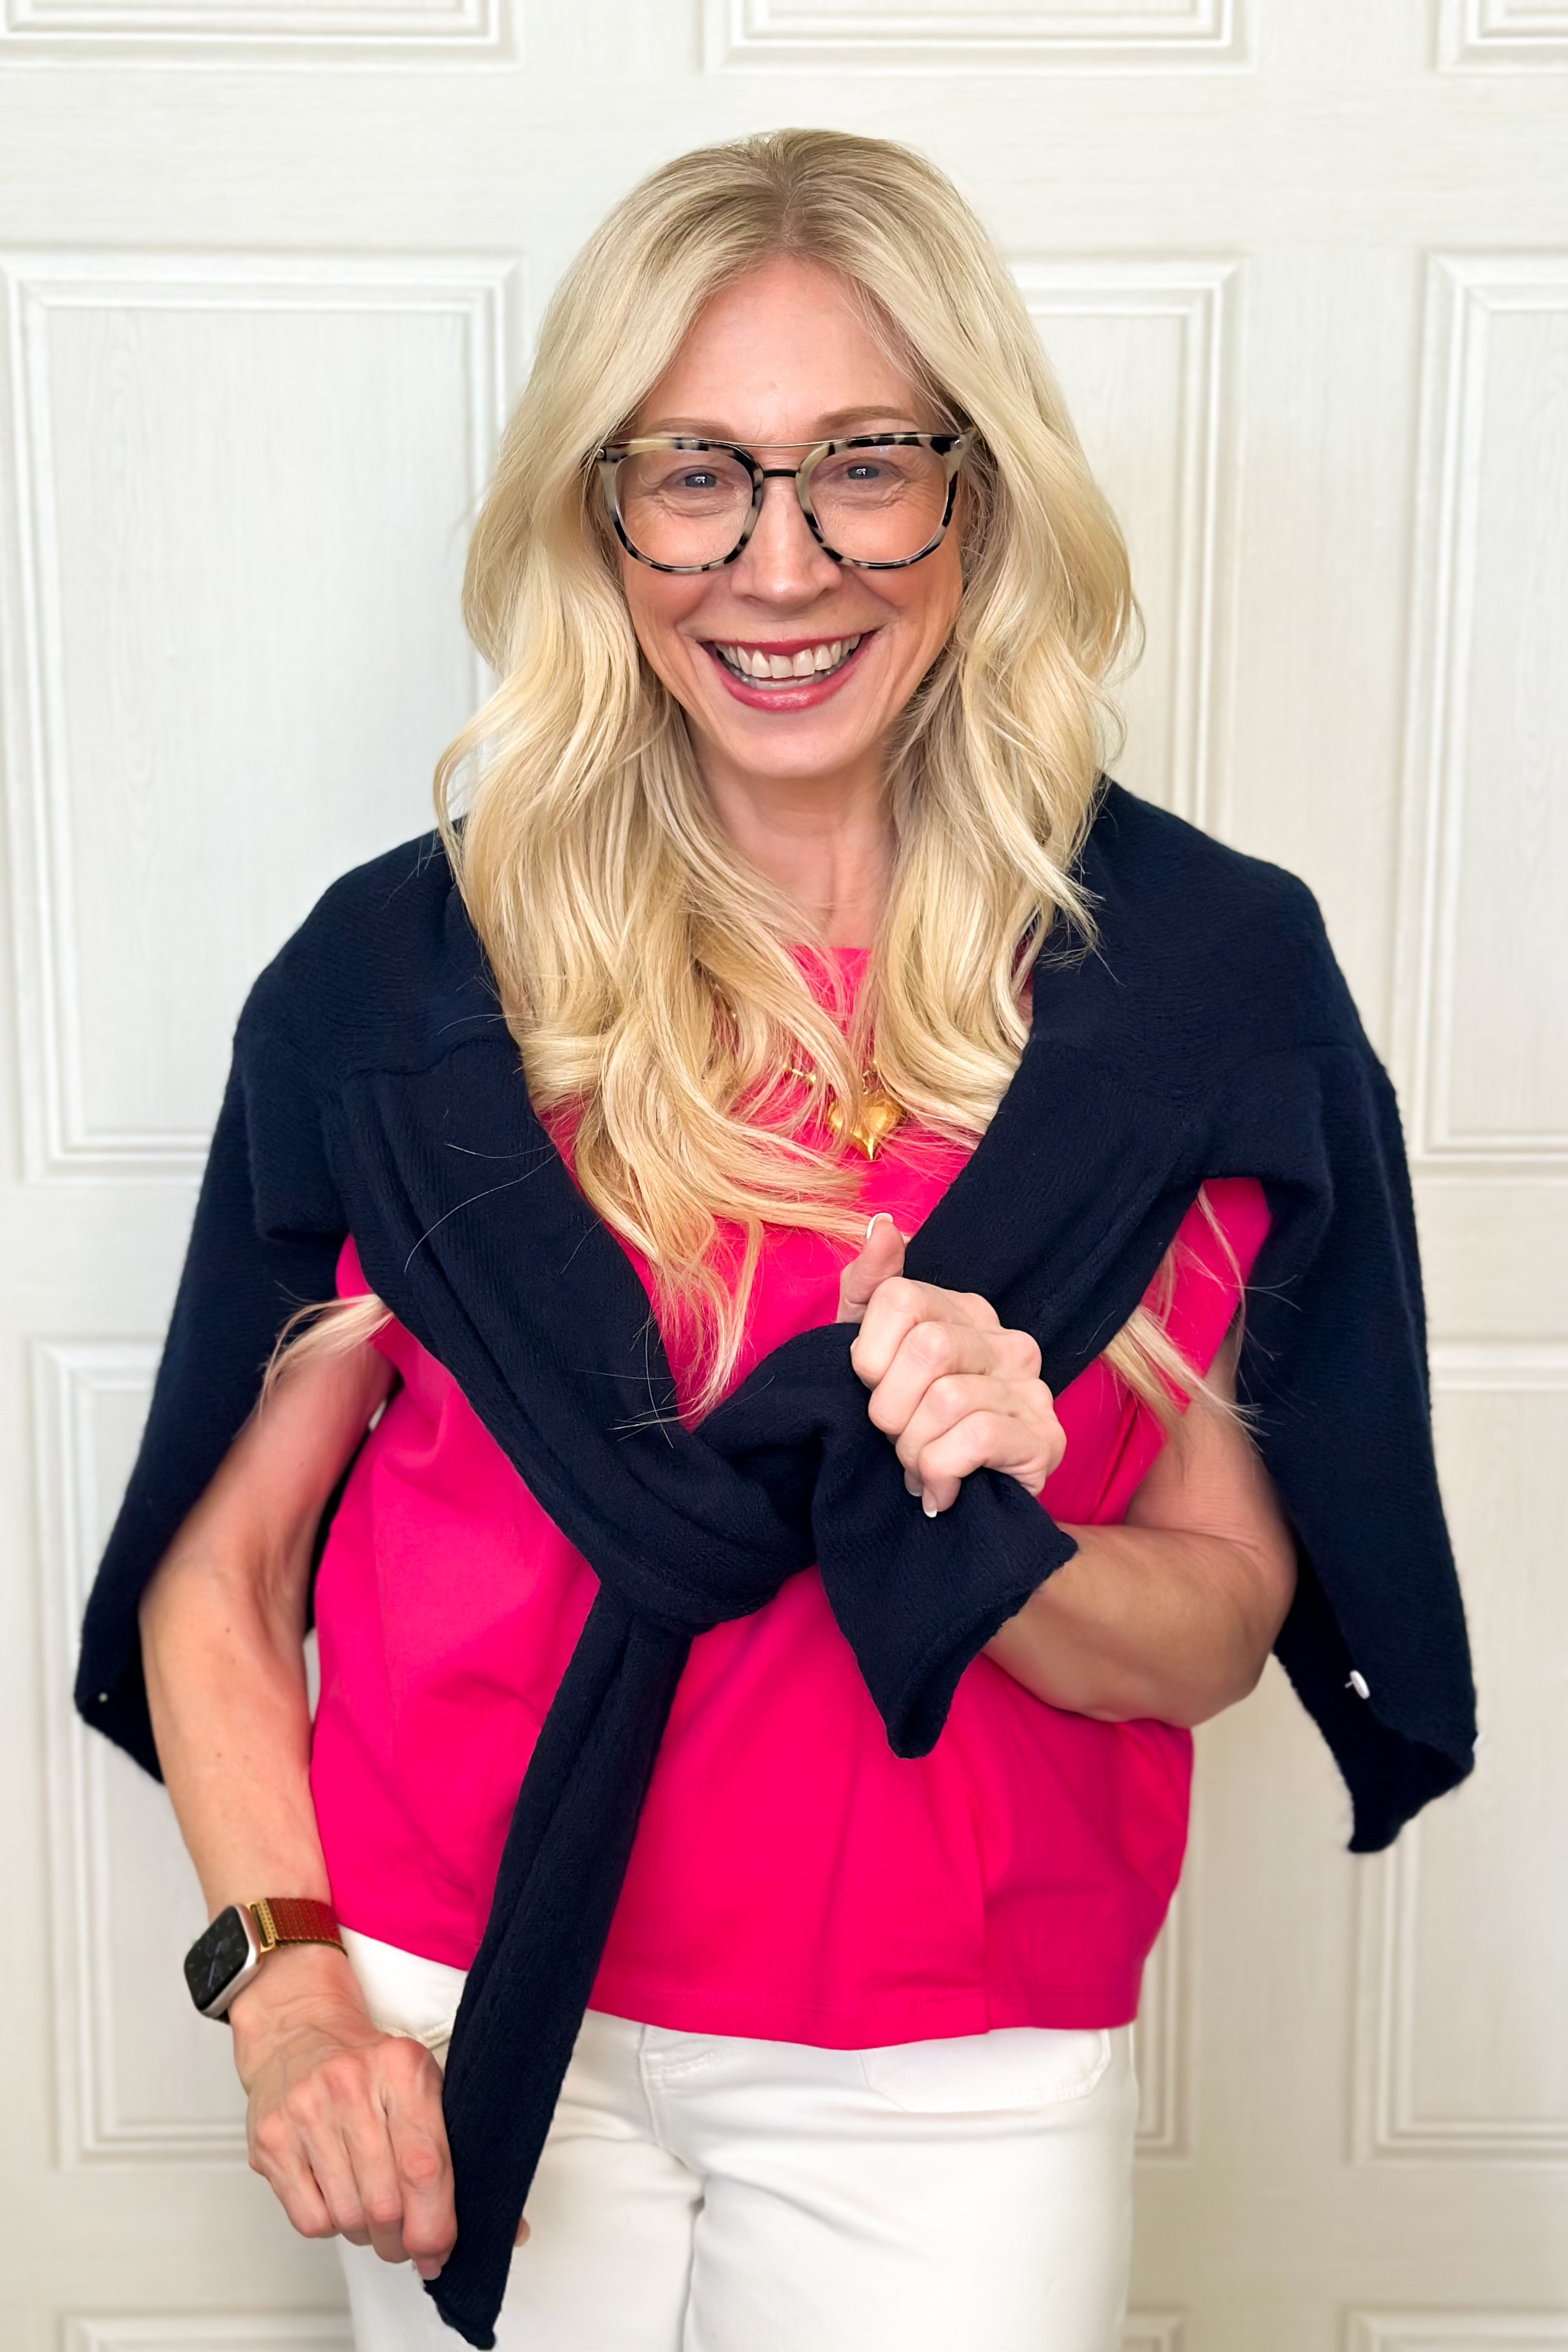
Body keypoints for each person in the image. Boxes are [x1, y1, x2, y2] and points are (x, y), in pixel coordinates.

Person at [76, 129, 1473, 2352]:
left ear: (980, 495)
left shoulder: (1197, 988)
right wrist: (294, 1992)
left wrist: (1002, 1530)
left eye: (865, 464)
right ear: (599, 513)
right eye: (695, 472)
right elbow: (220, 1571)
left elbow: (1213, 1621)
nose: (779, 560)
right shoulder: (407, 988)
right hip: (458, 1997)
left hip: (946, 2061)